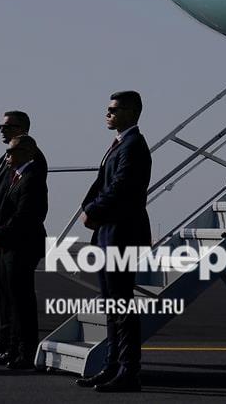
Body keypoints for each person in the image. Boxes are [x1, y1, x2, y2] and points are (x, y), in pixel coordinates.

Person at [75, 91, 152, 393]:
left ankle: (129, 371)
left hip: (123, 233)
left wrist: (93, 211)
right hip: (109, 232)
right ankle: (111, 366)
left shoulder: (134, 146)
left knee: (122, 306)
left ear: (131, 112)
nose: (108, 114)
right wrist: (88, 209)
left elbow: (121, 186)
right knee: (111, 305)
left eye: (114, 109)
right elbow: (101, 183)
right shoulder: (119, 144)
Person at [0, 110, 46, 361]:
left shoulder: (32, 165)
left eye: (7, 126)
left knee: (19, 299)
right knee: (6, 297)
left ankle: (20, 348)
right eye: (1, 126)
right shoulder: (8, 162)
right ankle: (8, 343)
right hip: (2, 240)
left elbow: (26, 209)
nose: (2, 130)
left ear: (22, 129)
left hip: (17, 241)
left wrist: (2, 232)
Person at [0, 135, 49, 370]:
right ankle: (13, 350)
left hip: (23, 246)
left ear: (27, 153)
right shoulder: (19, 176)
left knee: (22, 303)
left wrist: (0, 233)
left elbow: (26, 215)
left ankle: (26, 352)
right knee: (13, 302)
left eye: (12, 152)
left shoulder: (32, 178)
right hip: (11, 246)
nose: (7, 156)